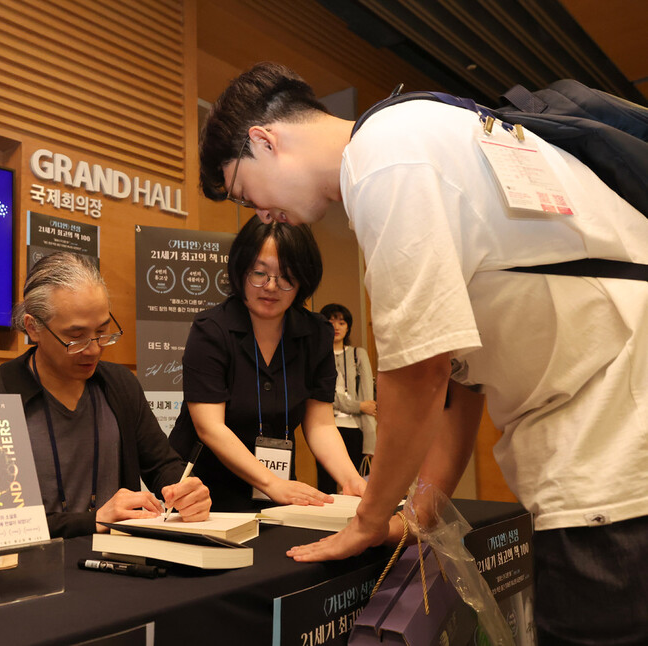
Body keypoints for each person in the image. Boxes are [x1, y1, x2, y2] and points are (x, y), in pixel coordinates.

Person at [198, 61, 648, 643]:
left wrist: (366, 520)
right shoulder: (421, 133)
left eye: (243, 190)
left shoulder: (389, 157)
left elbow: (418, 370)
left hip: (611, 454)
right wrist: (419, 512)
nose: (261, 214)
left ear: (264, 140)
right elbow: (462, 377)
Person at [0, 252, 211, 538]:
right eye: (76, 336)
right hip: (28, 570)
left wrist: (185, 490)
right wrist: (91, 521)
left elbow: (161, 465)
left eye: (103, 331)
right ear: (34, 328)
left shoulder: (119, 384)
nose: (93, 349)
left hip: (119, 566)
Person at [169, 215, 367, 512]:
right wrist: (272, 483)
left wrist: (351, 480)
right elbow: (210, 427)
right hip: (205, 494)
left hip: (279, 492)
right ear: (240, 271)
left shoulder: (316, 333)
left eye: (286, 276)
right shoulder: (211, 330)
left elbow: (321, 423)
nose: (271, 286)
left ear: (303, 279)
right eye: (259, 273)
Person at [315, 303, 376, 493]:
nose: (336, 326)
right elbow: (325, 395)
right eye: (331, 321)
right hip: (324, 428)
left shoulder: (359, 354)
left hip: (354, 430)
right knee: (325, 486)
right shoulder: (316, 356)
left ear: (348, 326)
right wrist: (358, 406)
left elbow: (370, 403)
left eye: (342, 322)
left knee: (354, 486)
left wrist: (371, 443)